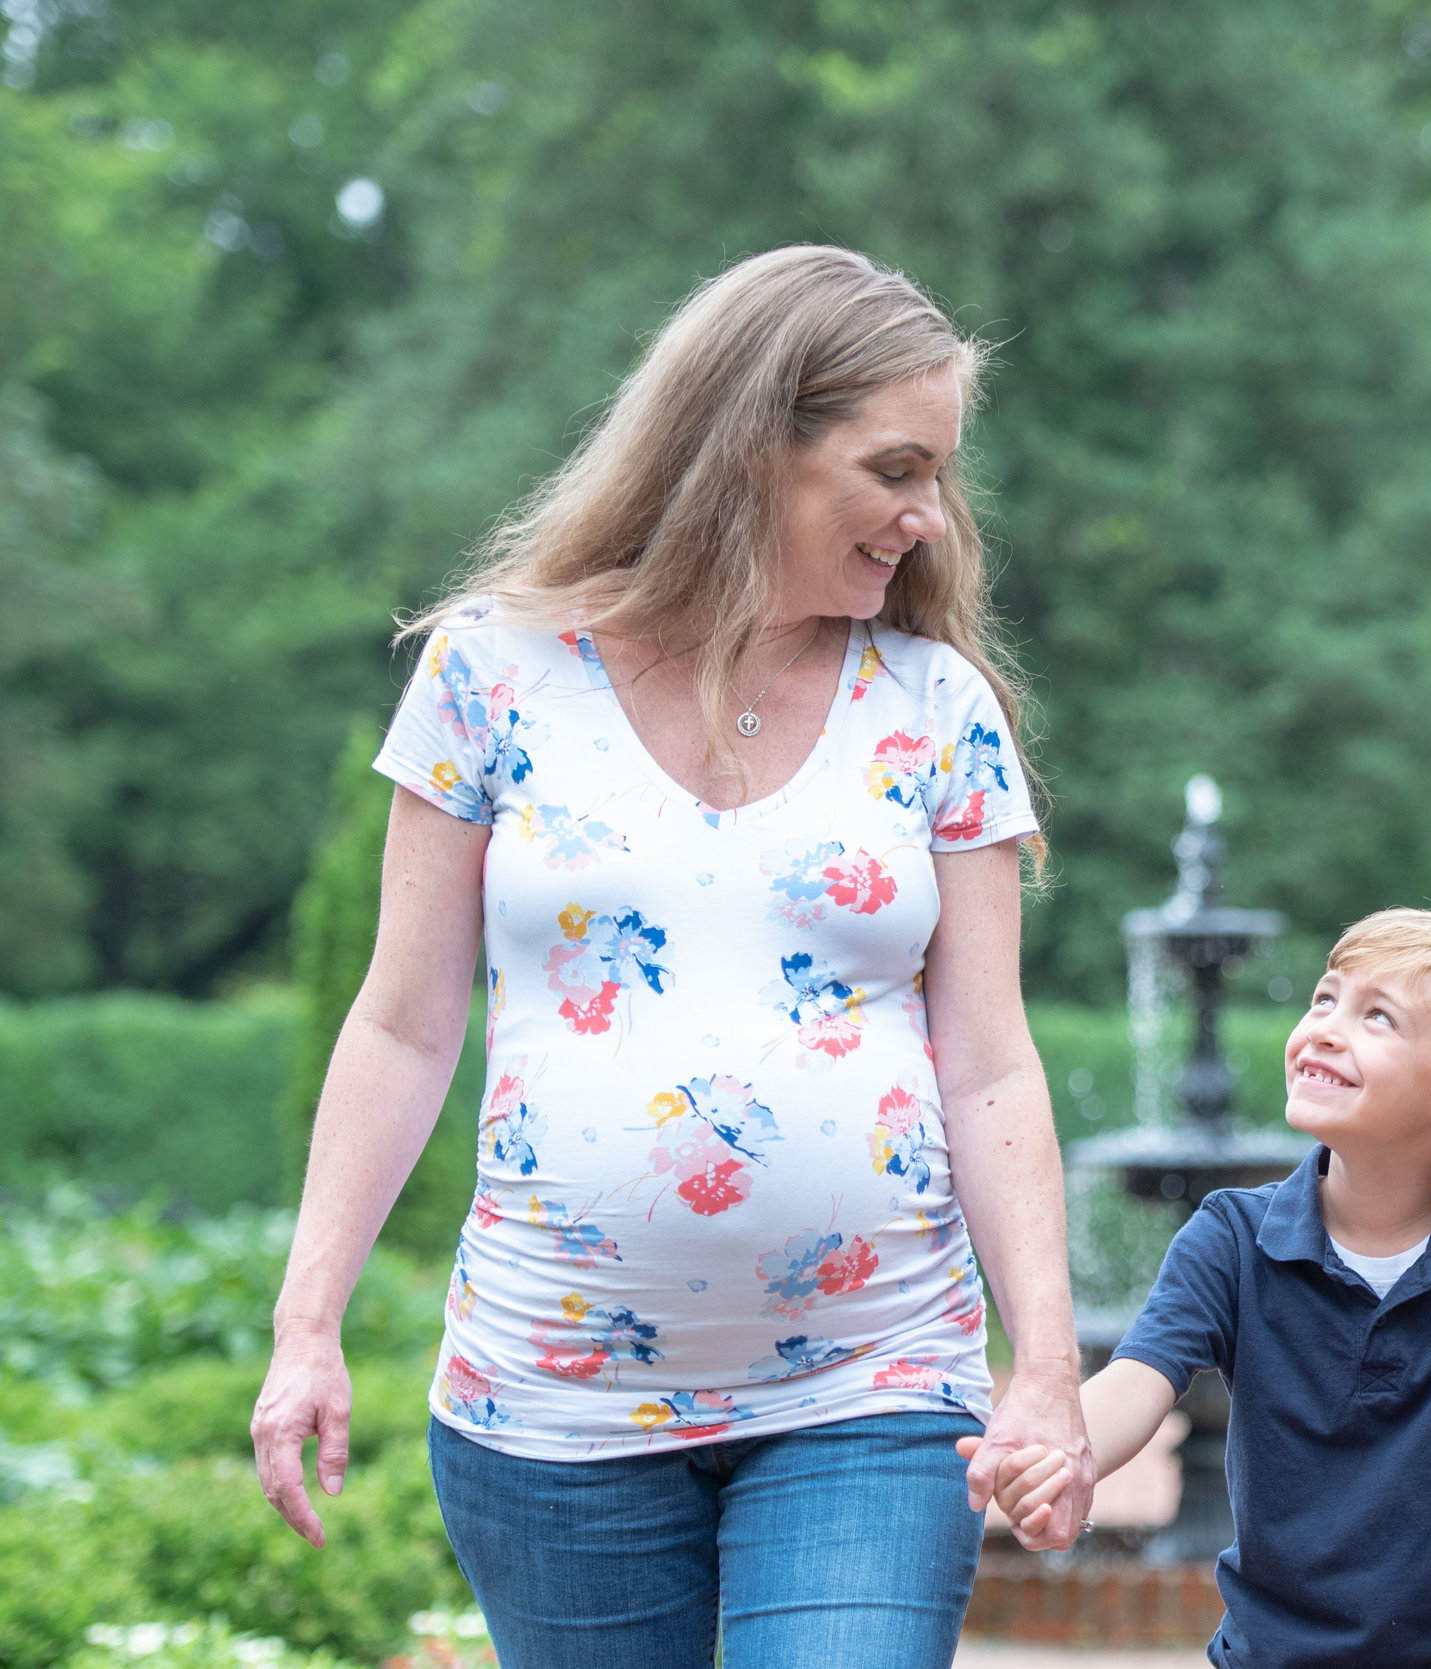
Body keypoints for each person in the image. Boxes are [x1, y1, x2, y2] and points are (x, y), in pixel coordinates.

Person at [248, 245, 1095, 1669]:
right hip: (549, 1406)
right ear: (755, 436)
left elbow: (993, 1062)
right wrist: (305, 1324)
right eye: (895, 469)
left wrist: (1047, 1374)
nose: (929, 519)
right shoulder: (491, 674)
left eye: (940, 476)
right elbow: (400, 1024)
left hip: (873, 1387)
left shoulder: (937, 705)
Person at [974, 908, 1431, 1669]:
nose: (1326, 1028)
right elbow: (1136, 1381)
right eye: (1325, 998)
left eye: (1378, 1016)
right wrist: (1063, 1453)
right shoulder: (1230, 1236)